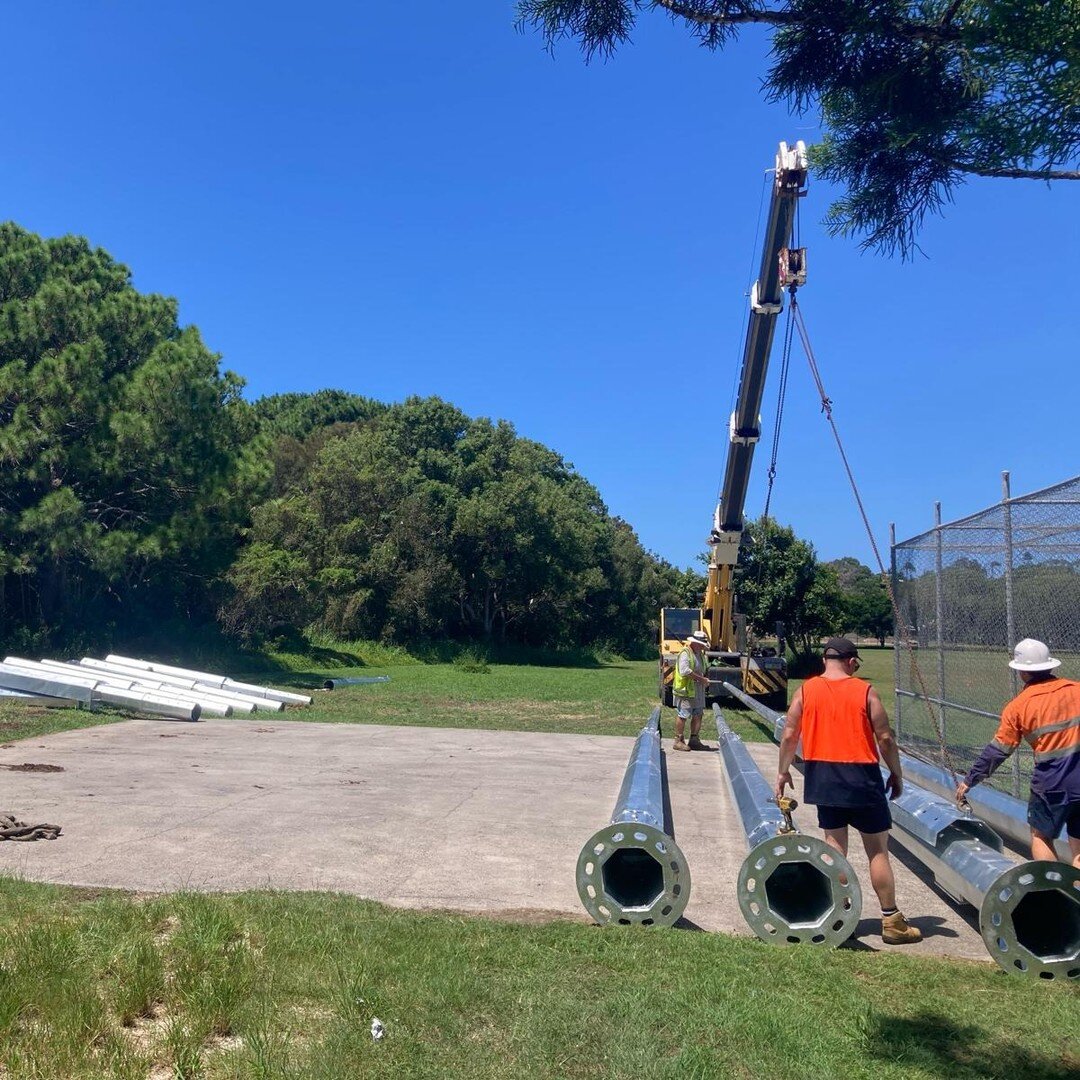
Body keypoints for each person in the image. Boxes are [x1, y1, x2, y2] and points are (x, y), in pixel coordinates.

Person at [776, 637, 922, 945]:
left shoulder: (805, 691)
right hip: (862, 777)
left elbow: (789, 734)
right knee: (877, 850)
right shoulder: (865, 691)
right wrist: (896, 773)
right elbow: (885, 739)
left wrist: (782, 771)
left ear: (825, 661)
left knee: (835, 848)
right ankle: (892, 921)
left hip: (823, 776)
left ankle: (839, 915)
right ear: (852, 662)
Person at [956, 639, 1080, 868]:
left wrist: (970, 779)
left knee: (1041, 837)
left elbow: (999, 750)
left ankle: (1055, 894)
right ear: (1050, 665)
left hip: (1051, 784)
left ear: (1022, 671)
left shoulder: (1019, 706)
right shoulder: (1077, 690)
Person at [671, 629, 710, 752]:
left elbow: (702, 669)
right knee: (683, 715)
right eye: (701, 644)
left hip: (697, 691)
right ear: (694, 643)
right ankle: (678, 741)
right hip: (685, 691)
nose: (702, 647)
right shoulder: (685, 653)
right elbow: (685, 671)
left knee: (698, 714)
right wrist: (701, 679)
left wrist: (704, 679)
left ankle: (694, 740)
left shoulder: (700, 655)